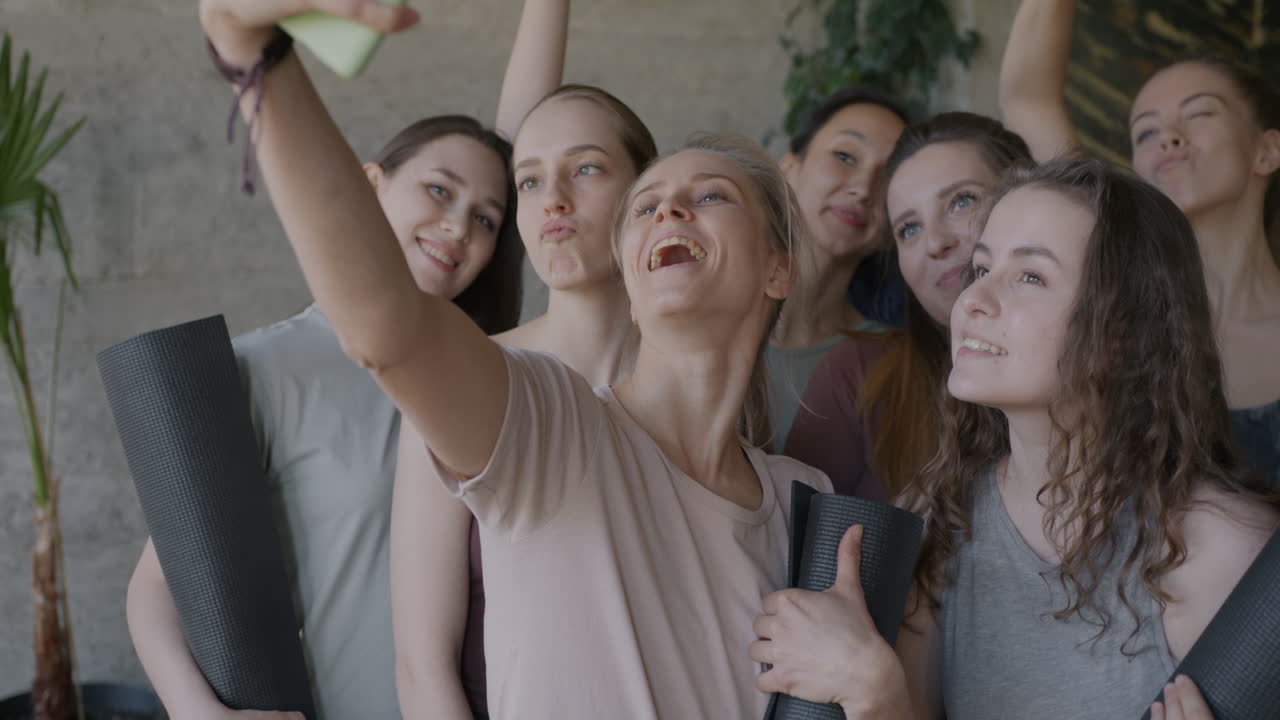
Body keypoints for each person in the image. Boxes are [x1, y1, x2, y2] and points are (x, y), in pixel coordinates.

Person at [199, 4, 832, 719]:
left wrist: (880, 689)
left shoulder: (803, 499)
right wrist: (253, 54)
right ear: (629, 258)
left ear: (780, 269)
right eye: (649, 205)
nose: (669, 213)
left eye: (709, 195)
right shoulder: (552, 431)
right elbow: (388, 328)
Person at [752, 156, 1280, 720]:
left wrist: (877, 695)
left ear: (1122, 331)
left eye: (1030, 276)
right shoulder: (938, 519)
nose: (972, 300)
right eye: (981, 270)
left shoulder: (1227, 550)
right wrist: (876, 691)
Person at [125, 114, 523, 720]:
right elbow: (157, 587)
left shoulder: (499, 379)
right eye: (440, 190)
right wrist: (196, 712)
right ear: (369, 184)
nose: (458, 225)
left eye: (486, 218)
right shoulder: (264, 367)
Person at [390, 2, 657, 717]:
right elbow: (422, 667)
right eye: (531, 182)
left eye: (588, 169)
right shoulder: (468, 379)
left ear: (646, 192)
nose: (554, 200)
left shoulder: (706, 382)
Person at [999, 0, 1280, 487]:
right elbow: (1028, 100)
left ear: (1267, 150)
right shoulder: (1123, 312)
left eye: (1199, 114)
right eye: (1146, 131)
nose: (1168, 137)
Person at [785, 112, 1031, 499]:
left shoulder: (1108, 357)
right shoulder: (859, 376)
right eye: (909, 229)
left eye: (961, 201)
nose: (935, 242)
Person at [767, 87, 909, 452]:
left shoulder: (892, 365)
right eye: (845, 156)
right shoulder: (699, 321)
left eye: (889, 176)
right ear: (788, 169)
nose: (863, 188)